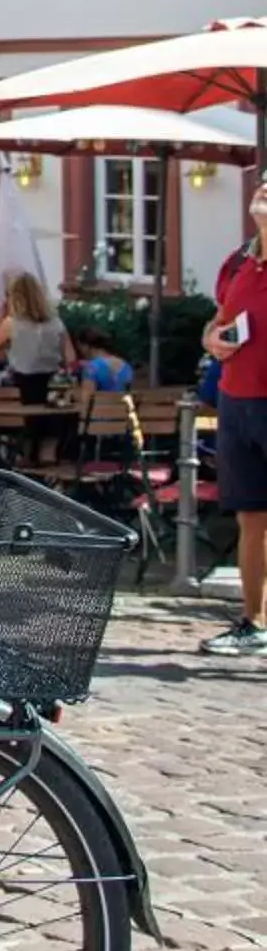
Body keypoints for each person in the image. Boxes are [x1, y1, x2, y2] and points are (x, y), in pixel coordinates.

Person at [200, 172, 267, 657]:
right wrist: (210, 338)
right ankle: (253, 621)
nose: (263, 189)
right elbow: (220, 318)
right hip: (236, 400)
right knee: (251, 516)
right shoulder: (239, 261)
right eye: (262, 184)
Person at [0, 272, 72, 404]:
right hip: (49, 390)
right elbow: (70, 358)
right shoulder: (57, 323)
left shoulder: (11, 323)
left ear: (15, 297)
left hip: (21, 389)